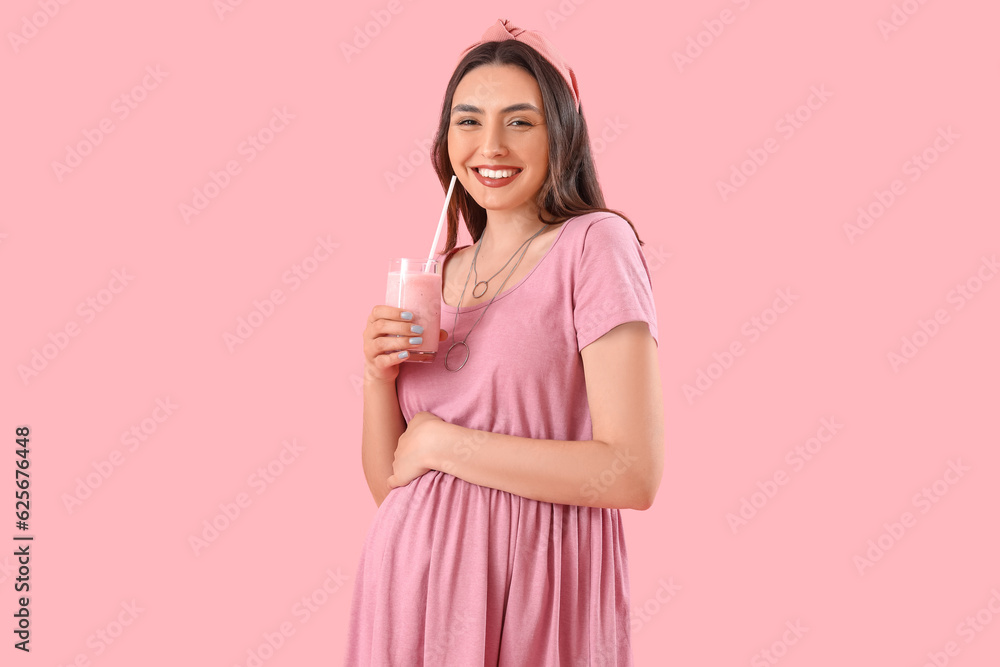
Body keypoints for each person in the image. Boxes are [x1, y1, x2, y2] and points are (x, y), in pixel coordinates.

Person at [347, 18, 664, 666]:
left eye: (519, 121)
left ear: (561, 131)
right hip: (406, 599)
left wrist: (443, 442)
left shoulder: (594, 245)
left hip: (535, 595)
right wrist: (378, 378)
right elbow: (392, 487)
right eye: (468, 121)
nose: (490, 145)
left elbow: (632, 473)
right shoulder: (438, 274)